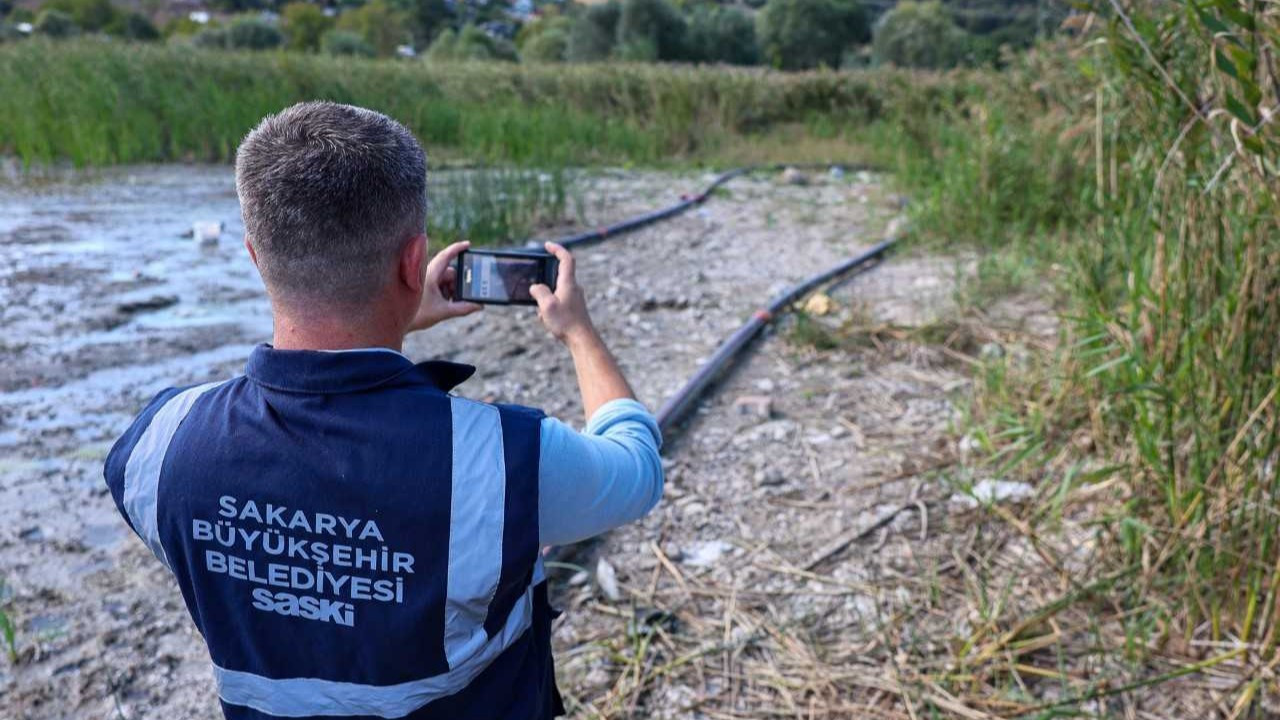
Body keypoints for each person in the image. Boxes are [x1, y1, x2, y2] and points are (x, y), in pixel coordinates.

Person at [103, 101, 663, 719]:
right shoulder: (502, 463)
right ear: (411, 260)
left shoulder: (159, 446)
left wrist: (394, 314)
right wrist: (578, 332)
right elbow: (635, 467)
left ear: (256, 255)